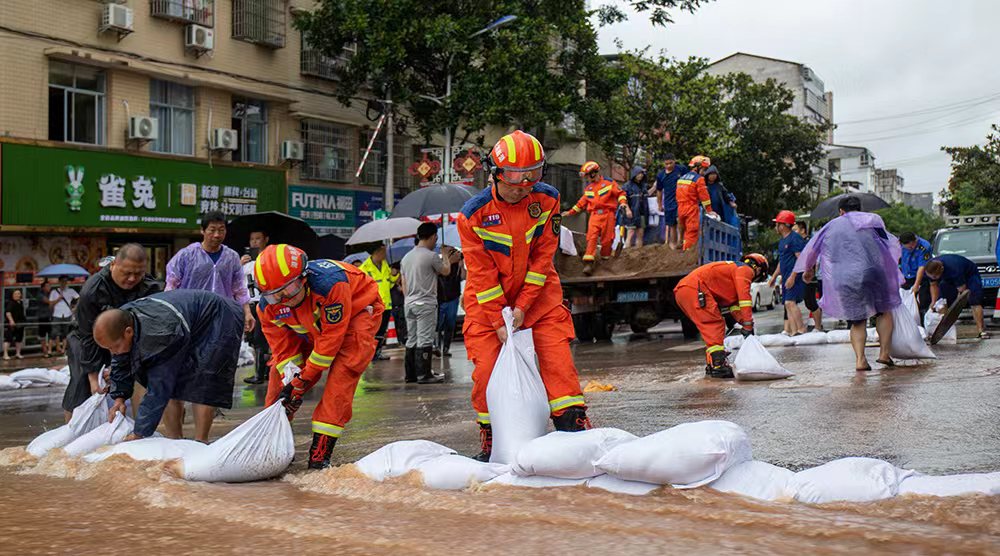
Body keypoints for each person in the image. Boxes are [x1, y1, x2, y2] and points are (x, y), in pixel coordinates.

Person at [460, 130, 592, 462]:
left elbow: (543, 257)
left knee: (559, 367)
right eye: (515, 179)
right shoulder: (473, 215)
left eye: (531, 177)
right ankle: (493, 444)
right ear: (495, 173)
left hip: (540, 301)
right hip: (487, 306)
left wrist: (522, 306)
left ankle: (574, 435)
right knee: (487, 373)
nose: (523, 187)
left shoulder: (546, 199)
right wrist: (499, 319)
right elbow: (481, 275)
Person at [255, 244, 383, 468]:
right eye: (276, 295)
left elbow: (330, 343)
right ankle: (273, 441)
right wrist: (291, 380)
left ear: (304, 277)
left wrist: (303, 381)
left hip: (356, 313)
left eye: (290, 289)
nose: (285, 298)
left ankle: (320, 453)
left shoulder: (331, 285)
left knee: (342, 376)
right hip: (312, 324)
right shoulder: (267, 308)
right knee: (279, 378)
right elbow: (283, 349)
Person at [98, 290, 244, 442]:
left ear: (128, 332)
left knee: (204, 381)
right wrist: (119, 398)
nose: (113, 352)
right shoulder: (120, 323)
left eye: (114, 347)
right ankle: (174, 441)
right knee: (173, 388)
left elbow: (158, 388)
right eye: (109, 348)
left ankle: (201, 442)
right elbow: (121, 361)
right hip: (181, 323)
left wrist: (139, 433)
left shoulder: (159, 338)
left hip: (218, 316)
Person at [789, 195, 902, 371]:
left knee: (857, 320)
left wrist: (809, 269)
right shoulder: (873, 220)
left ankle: (860, 360)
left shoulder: (831, 226)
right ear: (860, 208)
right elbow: (885, 245)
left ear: (841, 211)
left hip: (845, 277)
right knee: (884, 311)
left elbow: (812, 249)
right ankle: (884, 354)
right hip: (873, 272)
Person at [62, 244, 161, 421]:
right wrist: (93, 378)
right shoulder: (93, 290)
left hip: (126, 338)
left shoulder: (149, 287)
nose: (132, 279)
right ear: (114, 264)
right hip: (86, 338)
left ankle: (140, 428)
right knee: (81, 383)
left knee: (143, 378)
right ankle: (72, 429)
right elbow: (87, 336)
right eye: (127, 273)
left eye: (138, 273)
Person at [674, 255, 768, 379]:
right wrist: (748, 325)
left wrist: (744, 323)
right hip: (695, 289)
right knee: (713, 324)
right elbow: (744, 300)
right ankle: (718, 365)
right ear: (759, 269)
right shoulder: (745, 270)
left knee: (709, 327)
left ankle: (712, 364)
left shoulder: (734, 270)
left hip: (685, 290)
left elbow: (735, 307)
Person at [165, 211, 255, 334]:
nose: (217, 235)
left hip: (222, 316)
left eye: (221, 230)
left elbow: (239, 289)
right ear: (202, 230)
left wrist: (247, 313)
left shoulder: (232, 257)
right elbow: (171, 286)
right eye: (212, 230)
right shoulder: (186, 255)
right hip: (191, 316)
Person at [400, 223, 457, 383]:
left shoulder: (406, 258)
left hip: (409, 303)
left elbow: (404, 284)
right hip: (425, 303)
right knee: (425, 338)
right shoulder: (431, 256)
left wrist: (409, 298)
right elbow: (445, 271)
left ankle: (411, 374)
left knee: (412, 338)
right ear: (433, 236)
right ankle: (424, 375)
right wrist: (445, 256)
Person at [562, 161, 630, 275]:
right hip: (594, 216)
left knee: (607, 239)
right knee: (591, 237)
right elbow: (581, 203)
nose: (586, 179)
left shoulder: (609, 183)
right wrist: (569, 212)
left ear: (593, 173)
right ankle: (588, 263)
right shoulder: (588, 189)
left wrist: (623, 203)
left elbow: (620, 194)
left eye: (587, 176)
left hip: (608, 215)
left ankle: (605, 259)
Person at [925, 255, 989, 339]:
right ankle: (943, 330)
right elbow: (933, 285)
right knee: (941, 302)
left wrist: (956, 307)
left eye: (934, 277)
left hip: (970, 275)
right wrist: (934, 302)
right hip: (948, 279)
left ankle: (981, 330)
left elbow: (962, 290)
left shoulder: (954, 269)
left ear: (941, 270)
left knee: (974, 300)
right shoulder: (930, 269)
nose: (933, 278)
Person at [768, 210, 809, 336]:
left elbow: (800, 259)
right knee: (787, 304)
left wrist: (793, 276)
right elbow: (782, 261)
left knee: (790, 303)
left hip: (794, 277)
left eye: (778, 224)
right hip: (786, 277)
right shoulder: (782, 241)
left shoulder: (794, 238)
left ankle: (801, 329)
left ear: (784, 225)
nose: (776, 227)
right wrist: (774, 277)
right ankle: (794, 332)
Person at [240, 229, 272, 384]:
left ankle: (260, 374)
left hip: (264, 302)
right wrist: (239, 265)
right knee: (252, 338)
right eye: (252, 239)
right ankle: (265, 371)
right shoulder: (245, 263)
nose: (254, 242)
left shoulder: (269, 258)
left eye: (258, 238)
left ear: (266, 239)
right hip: (249, 303)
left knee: (261, 338)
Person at [359, 244, 399, 361]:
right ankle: (368, 354)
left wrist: (394, 275)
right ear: (377, 252)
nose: (385, 254)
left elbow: (389, 284)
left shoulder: (385, 265)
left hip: (386, 305)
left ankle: (377, 352)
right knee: (372, 331)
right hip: (373, 306)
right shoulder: (364, 268)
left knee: (381, 331)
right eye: (384, 251)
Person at [676, 156, 719, 251]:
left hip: (680, 208)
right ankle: (688, 253)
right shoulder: (699, 179)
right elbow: (704, 197)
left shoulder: (682, 178)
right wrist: (709, 210)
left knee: (684, 230)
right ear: (698, 167)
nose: (705, 172)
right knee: (692, 232)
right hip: (691, 208)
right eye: (704, 169)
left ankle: (682, 246)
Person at [795, 222, 825, 332]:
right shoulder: (799, 242)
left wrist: (811, 272)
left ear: (802, 230)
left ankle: (818, 326)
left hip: (810, 275)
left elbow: (813, 258)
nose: (794, 233)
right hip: (803, 275)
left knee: (810, 301)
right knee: (808, 302)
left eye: (795, 230)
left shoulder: (808, 242)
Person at [436, 247, 465, 357]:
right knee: (438, 324)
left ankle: (446, 347)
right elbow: (441, 273)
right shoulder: (441, 264)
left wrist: (461, 266)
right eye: (453, 252)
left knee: (450, 324)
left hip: (453, 297)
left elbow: (463, 276)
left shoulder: (458, 265)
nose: (457, 255)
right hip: (441, 298)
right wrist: (448, 261)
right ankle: (437, 346)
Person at [898, 231, 933, 322]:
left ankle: (922, 322)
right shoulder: (899, 245)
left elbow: (922, 267)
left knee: (923, 300)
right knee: (905, 300)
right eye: (909, 247)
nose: (912, 247)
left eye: (913, 245)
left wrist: (917, 285)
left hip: (922, 277)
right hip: (906, 276)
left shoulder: (924, 247)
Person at [654, 154, 685, 248]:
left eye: (670, 163)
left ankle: (681, 240)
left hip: (680, 200)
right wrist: (659, 204)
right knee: (671, 225)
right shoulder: (660, 175)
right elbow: (659, 190)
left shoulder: (681, 169)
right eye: (666, 164)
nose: (668, 166)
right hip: (668, 202)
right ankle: (673, 244)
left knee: (680, 220)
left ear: (674, 161)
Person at [619, 165, 648, 250]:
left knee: (640, 233)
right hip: (632, 212)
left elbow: (646, 195)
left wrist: (654, 187)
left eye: (642, 174)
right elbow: (623, 199)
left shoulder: (643, 186)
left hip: (642, 213)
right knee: (630, 232)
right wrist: (627, 210)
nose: (640, 175)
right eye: (639, 173)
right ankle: (627, 252)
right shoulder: (627, 186)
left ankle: (639, 252)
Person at [704, 165, 740, 230]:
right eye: (711, 174)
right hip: (708, 210)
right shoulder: (704, 186)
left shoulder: (719, 186)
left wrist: (731, 202)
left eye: (715, 174)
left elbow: (725, 194)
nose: (713, 176)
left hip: (719, 210)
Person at [49, 275, 79, 356]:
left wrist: (75, 308)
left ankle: (63, 350)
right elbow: (50, 304)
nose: (64, 283)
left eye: (65, 281)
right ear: (59, 282)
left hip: (67, 314)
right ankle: (51, 350)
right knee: (54, 333)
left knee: (66, 333)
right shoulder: (54, 292)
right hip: (57, 314)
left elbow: (79, 298)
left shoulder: (71, 291)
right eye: (62, 281)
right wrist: (58, 299)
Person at [4, 289, 26, 360]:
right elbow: (8, 312)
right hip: (12, 324)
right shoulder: (11, 303)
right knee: (8, 339)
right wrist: (11, 321)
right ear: (12, 295)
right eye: (15, 294)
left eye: (19, 293)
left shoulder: (20, 302)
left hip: (20, 324)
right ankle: (5, 354)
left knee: (19, 339)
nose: (17, 295)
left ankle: (18, 353)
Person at [35, 282, 54, 358]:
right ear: (43, 287)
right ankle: (45, 351)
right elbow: (49, 302)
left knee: (51, 334)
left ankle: (49, 350)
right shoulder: (40, 295)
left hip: (50, 316)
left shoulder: (50, 294)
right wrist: (59, 298)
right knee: (42, 335)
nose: (49, 287)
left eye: (50, 286)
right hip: (42, 317)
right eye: (47, 286)